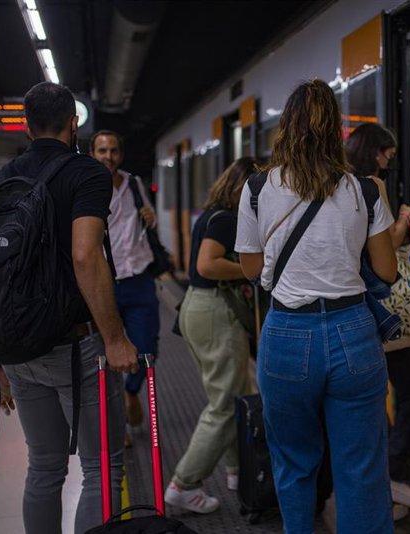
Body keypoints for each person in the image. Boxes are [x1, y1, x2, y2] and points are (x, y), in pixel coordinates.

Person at [236, 79, 398, 534]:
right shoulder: (363, 191)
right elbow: (386, 271)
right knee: (361, 468)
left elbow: (251, 268)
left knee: (293, 464)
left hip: (287, 334)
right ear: (336, 131)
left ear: (285, 126)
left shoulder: (256, 188)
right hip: (353, 333)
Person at [0, 82, 136, 534]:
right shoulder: (85, 174)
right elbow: (86, 256)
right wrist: (115, 338)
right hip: (75, 349)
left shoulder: (1, 179)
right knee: (101, 468)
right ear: (74, 122)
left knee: (45, 468)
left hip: (19, 349)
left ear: (27, 128)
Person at [347, 123, 410, 520]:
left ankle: (393, 486)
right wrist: (406, 222)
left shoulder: (343, 184)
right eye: (388, 151)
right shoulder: (372, 185)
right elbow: (382, 253)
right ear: (375, 152)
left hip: (355, 308)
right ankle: (396, 476)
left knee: (382, 400)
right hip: (383, 310)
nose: (391, 158)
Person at [164, 157, 256, 513]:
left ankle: (236, 470)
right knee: (224, 404)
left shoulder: (212, 214)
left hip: (197, 308)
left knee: (234, 394)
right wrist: (249, 271)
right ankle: (183, 484)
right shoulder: (229, 220)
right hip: (214, 309)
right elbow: (207, 264)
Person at [91, 130, 161, 442]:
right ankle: (117, 418)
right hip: (103, 283)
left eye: (113, 150)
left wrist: (150, 215)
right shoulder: (86, 186)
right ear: (92, 153)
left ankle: (132, 392)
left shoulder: (133, 184)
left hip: (139, 279)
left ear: (121, 154)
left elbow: (148, 218)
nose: (108, 156)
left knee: (146, 348)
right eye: (102, 150)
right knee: (105, 353)